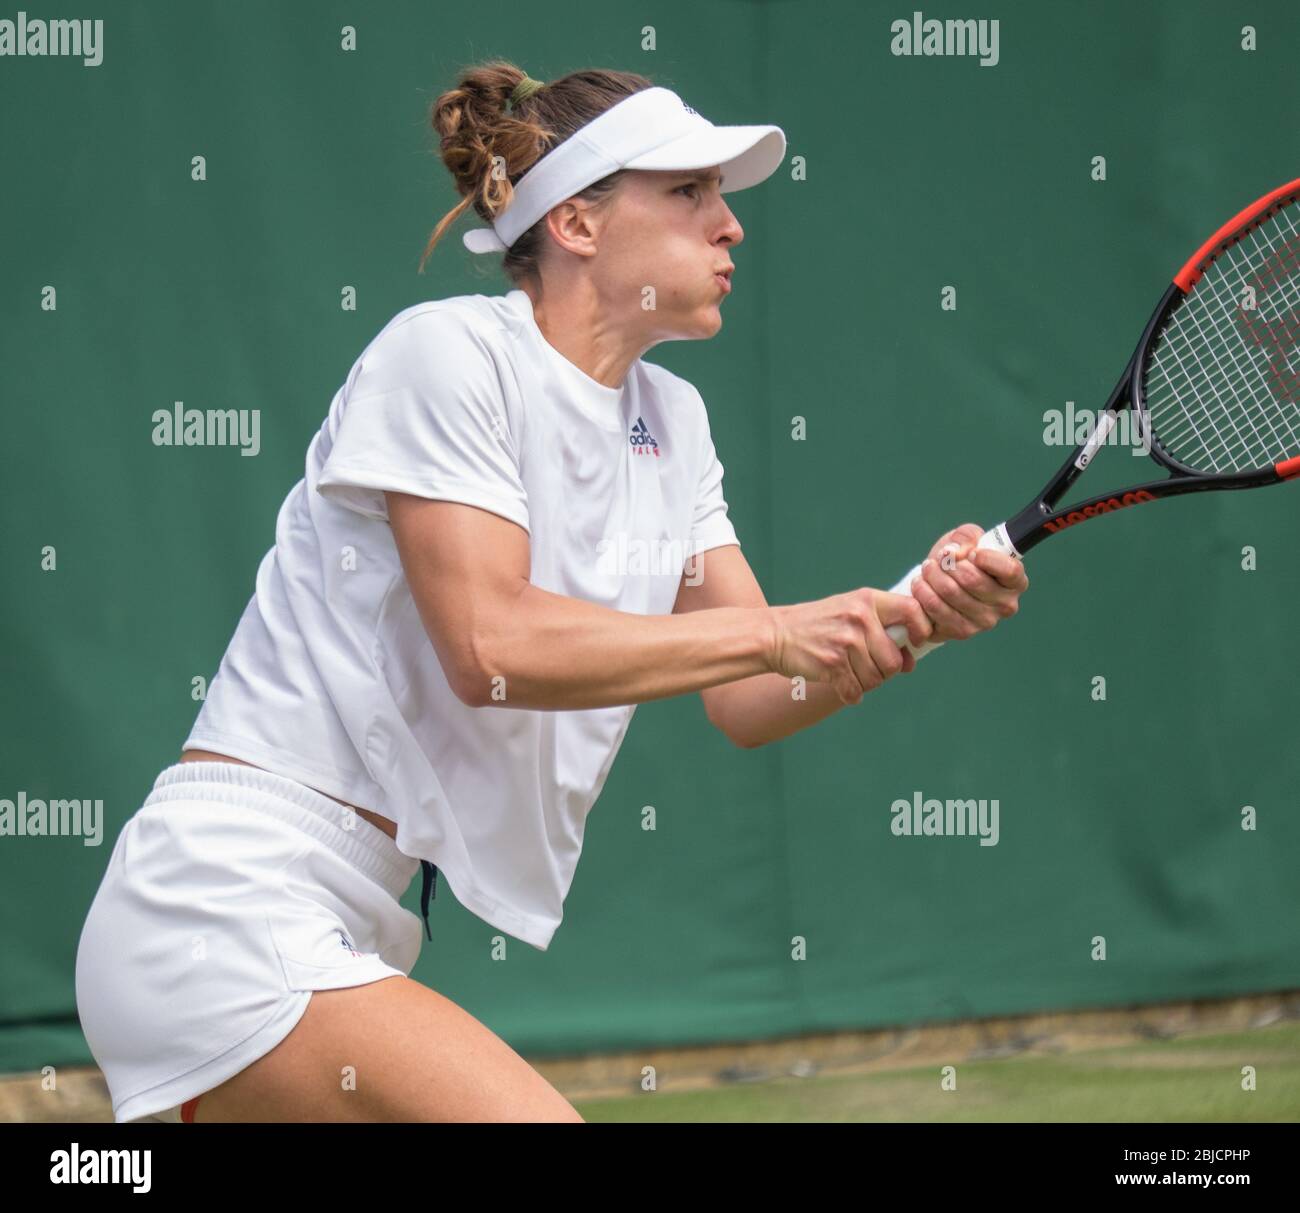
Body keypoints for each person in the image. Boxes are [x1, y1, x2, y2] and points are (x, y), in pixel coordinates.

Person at [74, 61, 1028, 1124]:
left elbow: (752, 698)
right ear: (576, 223)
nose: (731, 227)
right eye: (688, 193)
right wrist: (772, 633)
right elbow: (491, 646)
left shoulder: (673, 424)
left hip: (352, 919)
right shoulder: (444, 354)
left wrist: (909, 622)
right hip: (222, 903)